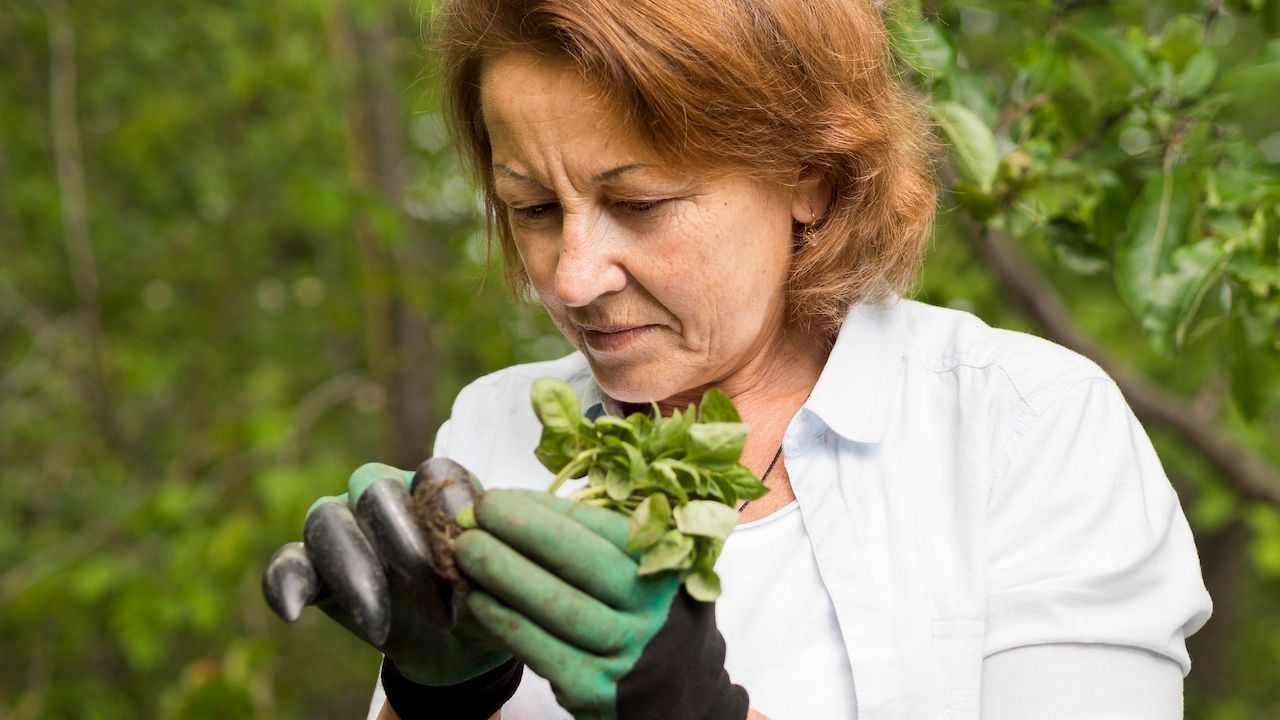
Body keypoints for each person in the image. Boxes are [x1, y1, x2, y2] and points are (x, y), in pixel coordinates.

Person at [262, 0, 1214, 717]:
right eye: (533, 209)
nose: (576, 277)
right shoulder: (496, 431)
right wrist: (438, 699)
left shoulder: (1023, 428)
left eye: (638, 204)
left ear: (810, 176)